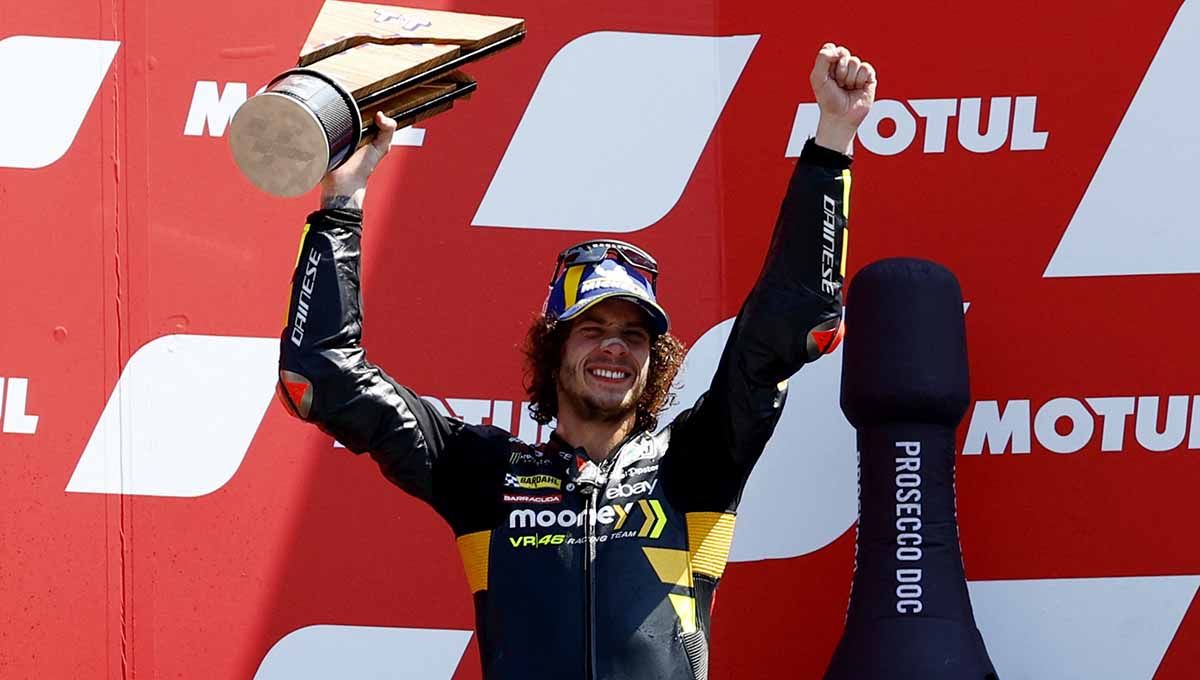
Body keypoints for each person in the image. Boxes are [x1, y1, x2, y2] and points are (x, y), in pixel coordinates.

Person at [277, 43, 876, 680]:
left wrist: (832, 139)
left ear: (655, 360)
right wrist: (341, 203)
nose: (615, 346)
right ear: (554, 349)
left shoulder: (697, 463)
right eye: (591, 329)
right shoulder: (481, 473)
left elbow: (786, 326)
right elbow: (321, 378)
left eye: (634, 334)